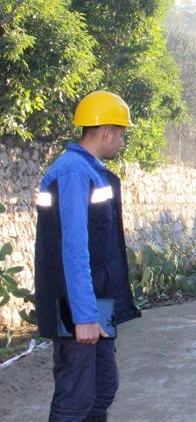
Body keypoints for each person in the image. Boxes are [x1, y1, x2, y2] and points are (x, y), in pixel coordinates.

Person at [35, 91, 141, 422]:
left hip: (98, 302)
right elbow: (74, 248)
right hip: (76, 303)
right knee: (76, 398)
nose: (122, 141)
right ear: (106, 132)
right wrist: (83, 316)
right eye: (122, 133)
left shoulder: (90, 170)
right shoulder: (73, 171)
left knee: (103, 388)